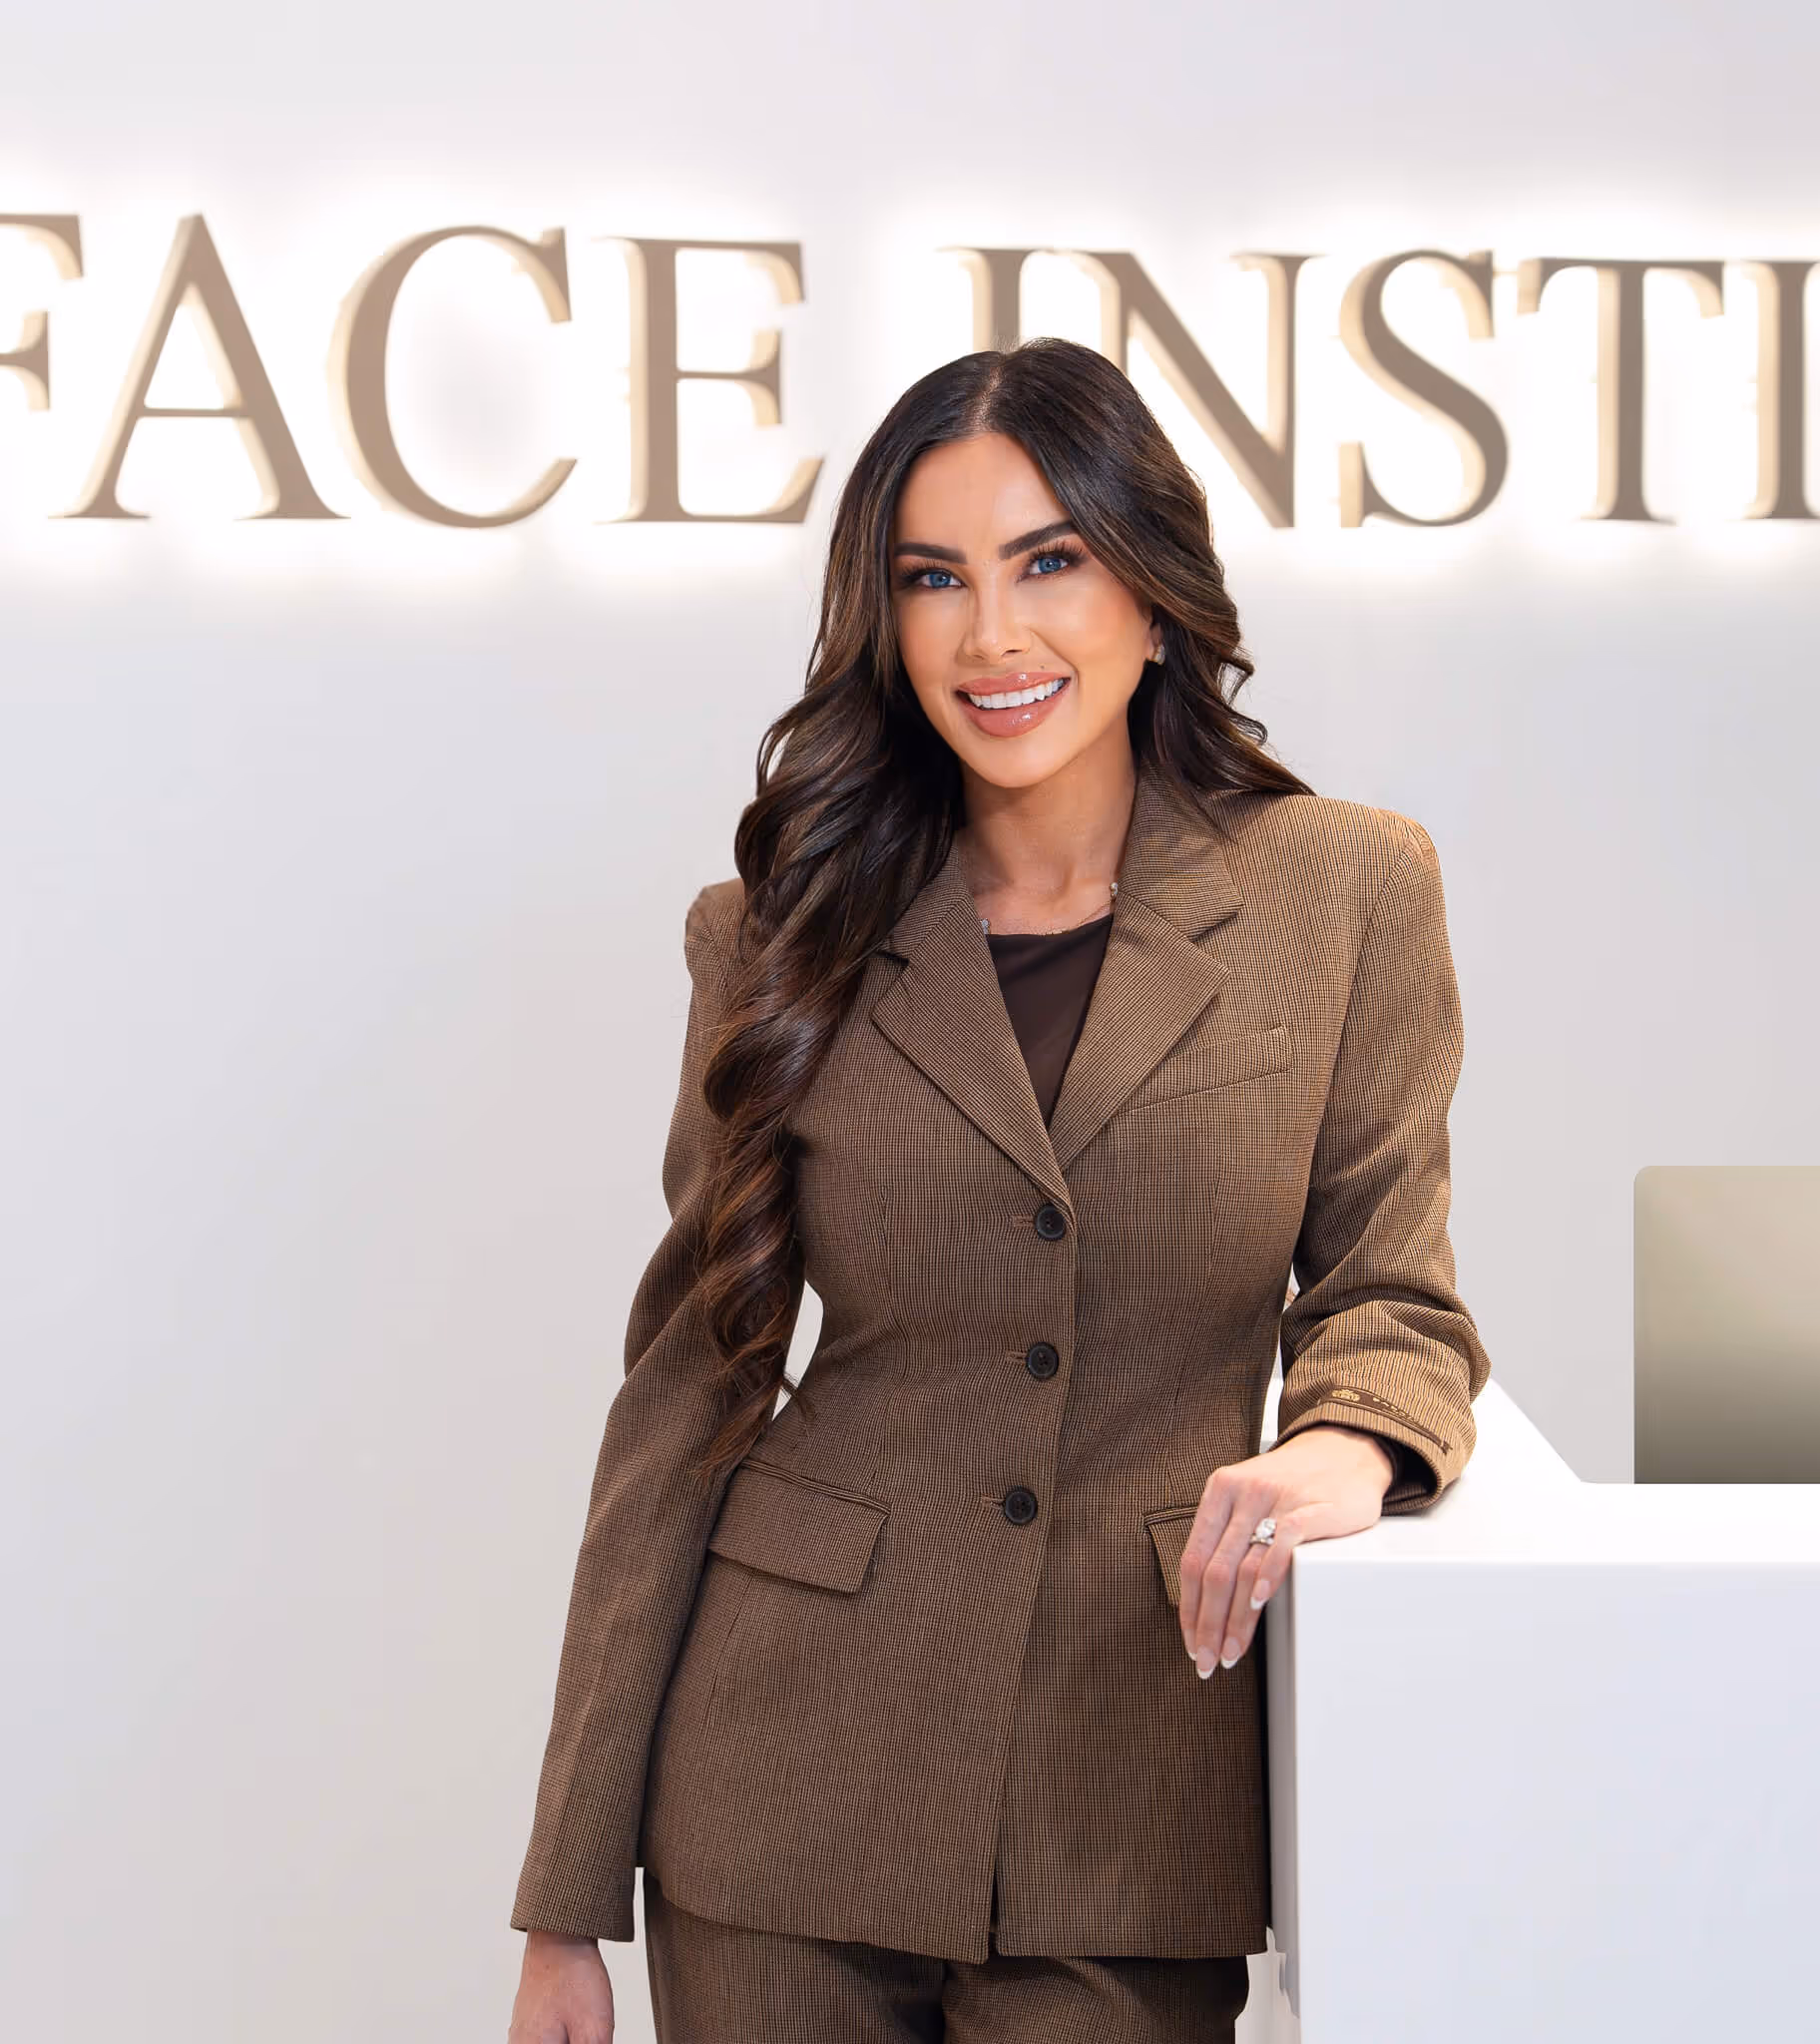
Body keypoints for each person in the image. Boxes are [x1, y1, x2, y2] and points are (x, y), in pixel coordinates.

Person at [506, 334, 1492, 2043]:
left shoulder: (1346, 892)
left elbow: (1393, 1293)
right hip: (777, 1796)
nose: (992, 635)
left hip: (1132, 1785)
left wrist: (1353, 1436)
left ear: (1156, 591)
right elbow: (687, 1386)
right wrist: (564, 1908)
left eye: (1050, 561)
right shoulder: (771, 938)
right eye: (932, 579)